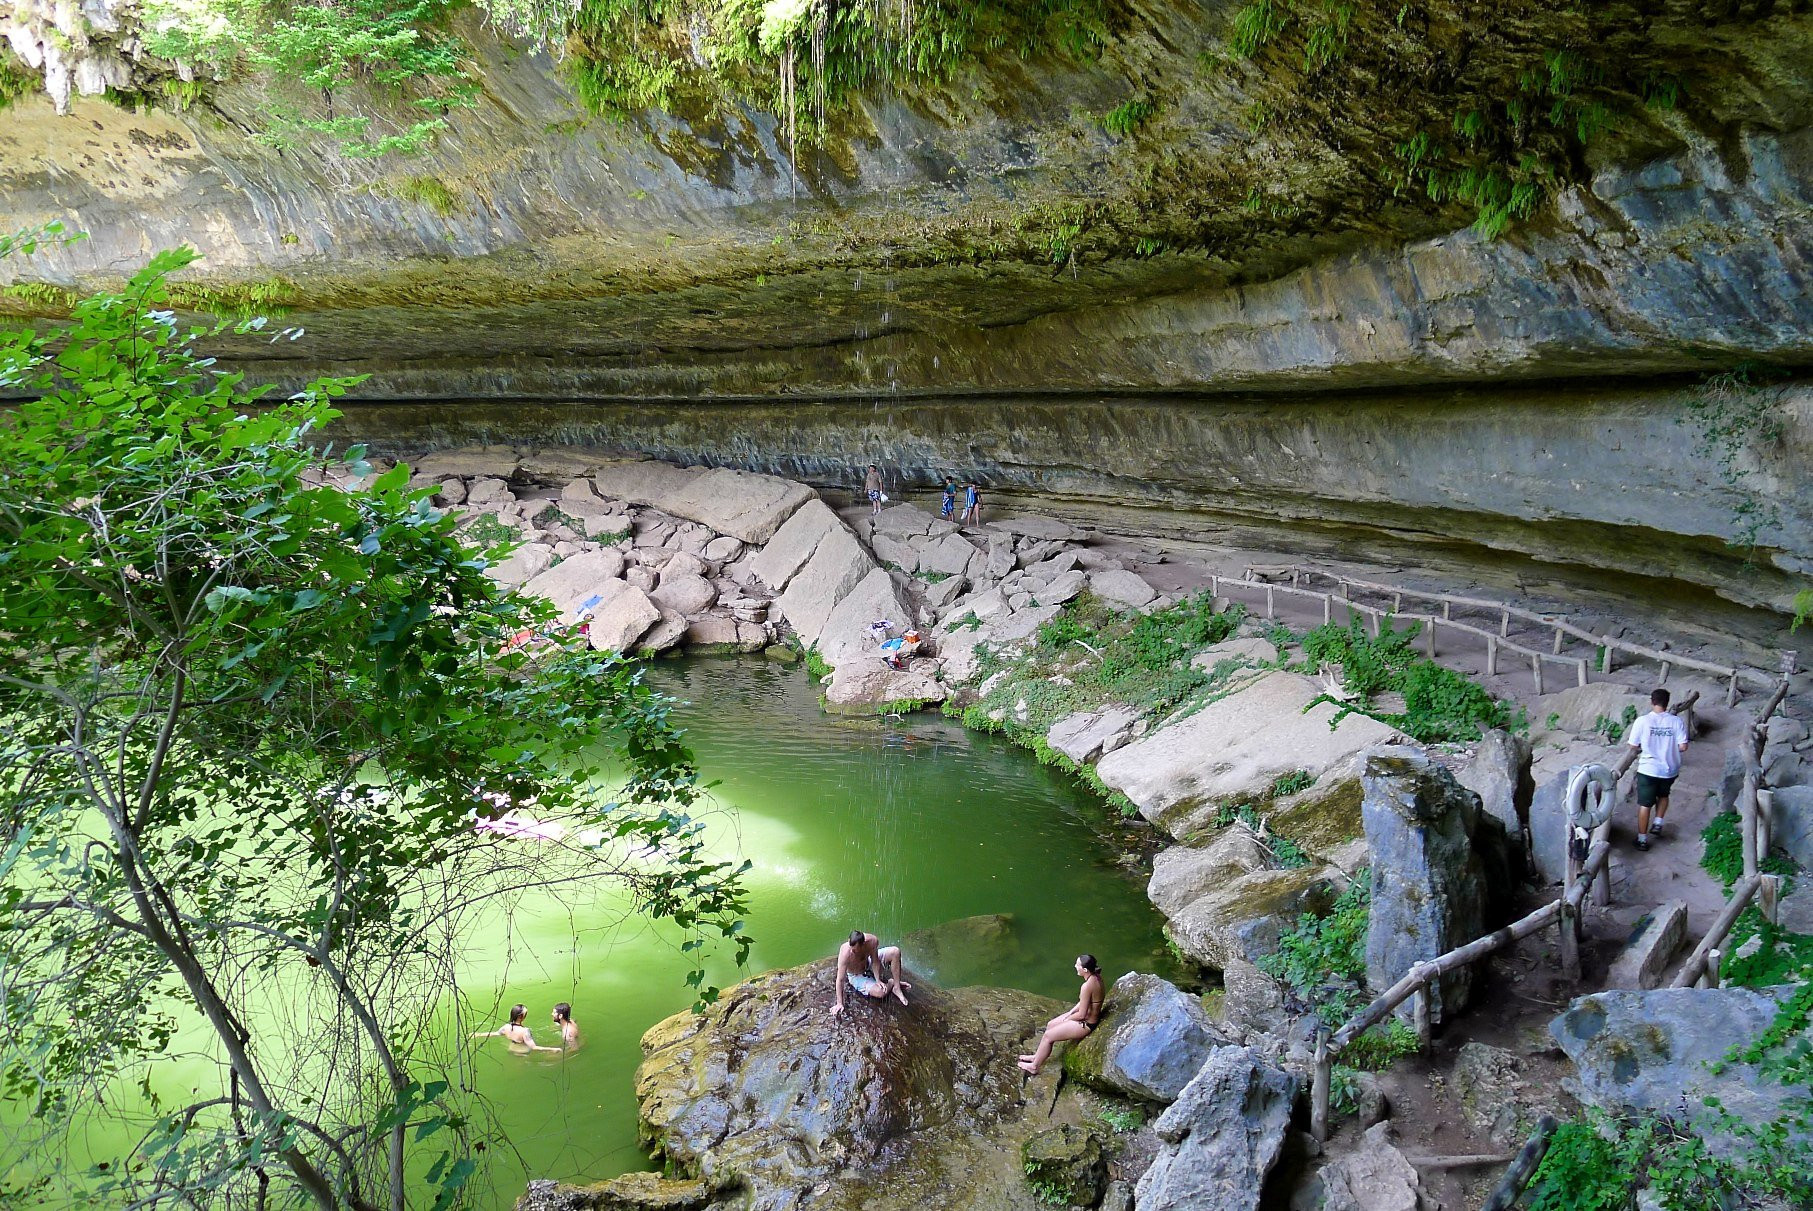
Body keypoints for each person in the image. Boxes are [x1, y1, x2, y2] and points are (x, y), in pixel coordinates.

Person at [1617, 688, 1689, 852]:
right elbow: (1683, 746)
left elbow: (1633, 745)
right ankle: (1658, 823)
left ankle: (1642, 840)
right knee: (1664, 794)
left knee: (1645, 804)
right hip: (1670, 768)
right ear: (1667, 703)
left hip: (1648, 769)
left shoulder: (1642, 721)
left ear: (1652, 701)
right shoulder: (1676, 721)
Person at [1018, 955, 1103, 1075]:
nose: (1075, 966)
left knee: (1048, 1036)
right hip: (1084, 1017)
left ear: (1084, 970)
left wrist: (1067, 1019)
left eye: (1077, 965)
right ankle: (1037, 1056)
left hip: (1087, 1024)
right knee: (1050, 1024)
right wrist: (1070, 1012)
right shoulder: (1096, 977)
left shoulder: (1087, 986)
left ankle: (1034, 1067)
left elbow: (1082, 1015)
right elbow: (1084, 1001)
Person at [831, 929, 910, 1014]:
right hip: (856, 975)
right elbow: (840, 979)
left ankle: (897, 987)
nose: (852, 951)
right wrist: (839, 1003)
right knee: (880, 992)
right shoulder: (845, 953)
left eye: (855, 950)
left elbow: (875, 961)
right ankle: (891, 982)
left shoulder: (872, 941)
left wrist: (878, 980)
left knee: (895, 952)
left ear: (863, 944)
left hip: (868, 962)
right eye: (851, 948)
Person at [471, 1004, 559, 1052]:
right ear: (521, 1017)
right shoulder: (525, 1031)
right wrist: (552, 1049)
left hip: (511, 1049)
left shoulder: (506, 1027)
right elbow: (533, 1047)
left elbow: (495, 1033)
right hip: (522, 1052)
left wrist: (478, 1034)